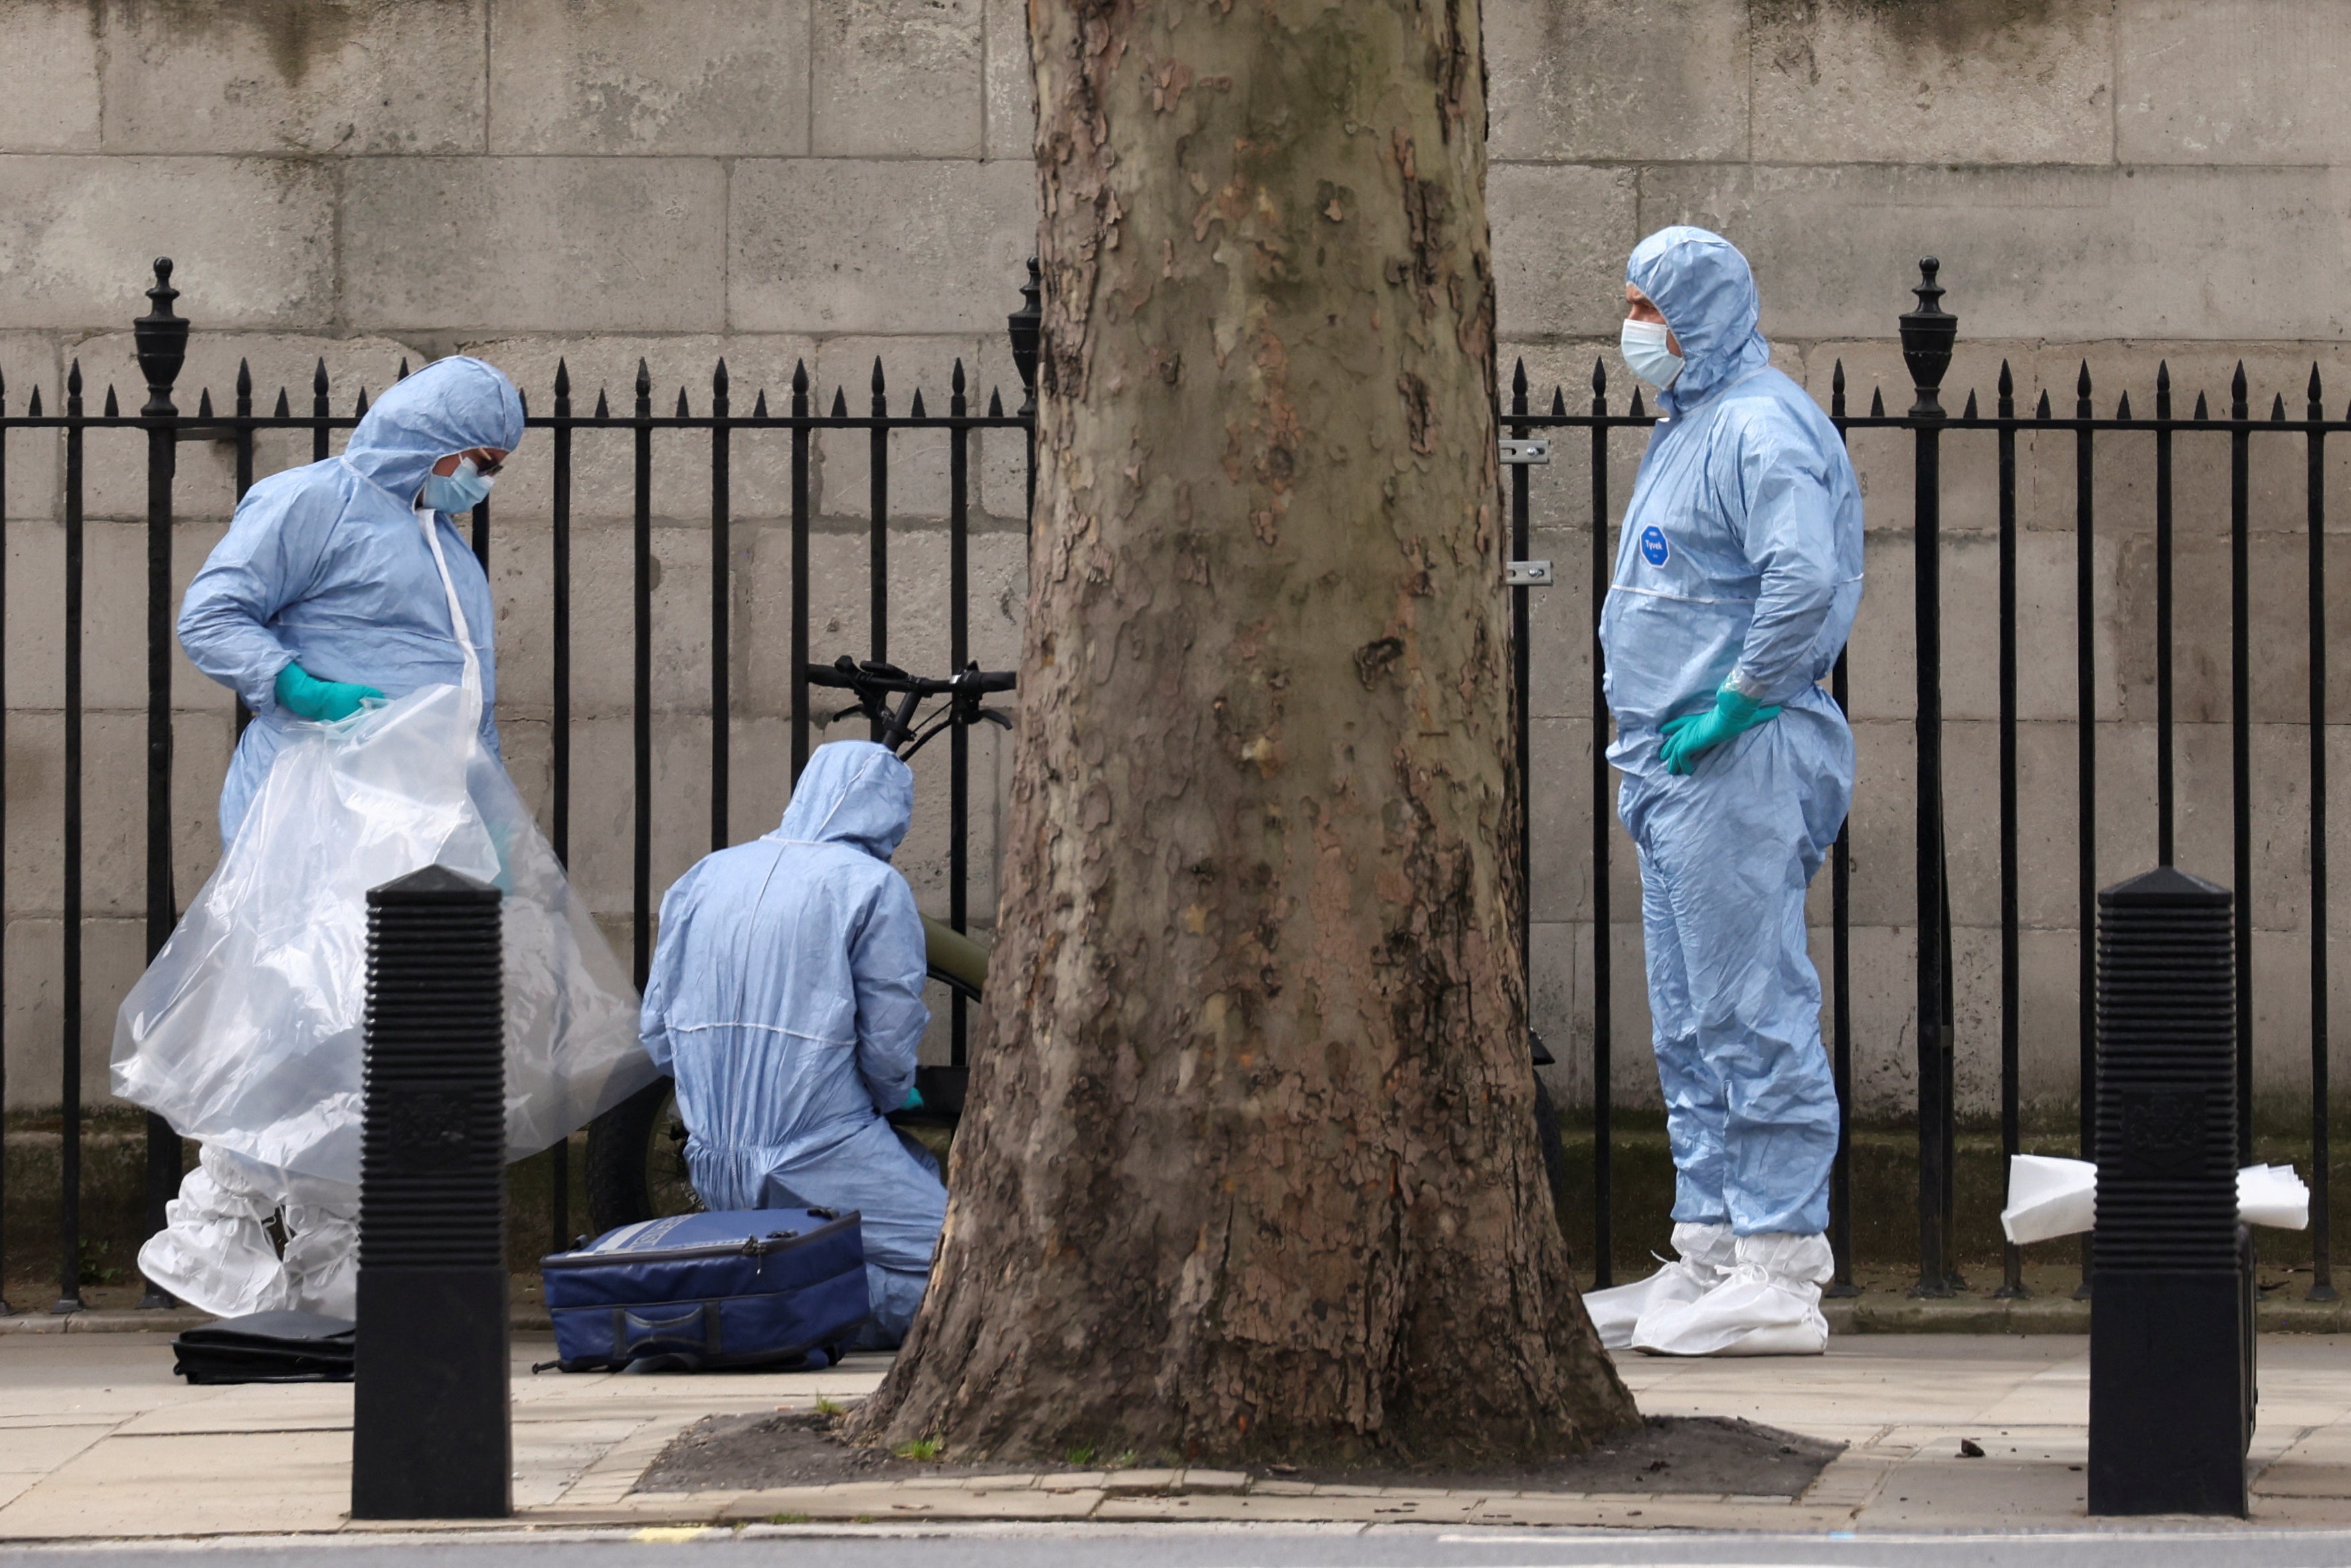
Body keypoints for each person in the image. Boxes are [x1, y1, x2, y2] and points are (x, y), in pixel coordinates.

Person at [139, 355, 524, 1318]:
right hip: (318, 810)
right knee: (301, 1021)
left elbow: (467, 697)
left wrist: (490, 810)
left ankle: (333, 1247)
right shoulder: (313, 501)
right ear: (432, 442)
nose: (482, 480)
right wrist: (297, 687)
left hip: (416, 818)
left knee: (374, 1040)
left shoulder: (444, 546)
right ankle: (214, 1223)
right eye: (478, 457)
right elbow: (212, 613)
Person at [1579, 227, 1864, 1357]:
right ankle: (1711, 1247)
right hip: (1673, 755)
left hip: (1731, 754)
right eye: (1631, 301)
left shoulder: (1758, 424)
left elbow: (1805, 577)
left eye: (1649, 303)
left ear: (1696, 311)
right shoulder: (1695, 422)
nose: (1633, 324)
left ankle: (1783, 1265)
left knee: (1748, 1008)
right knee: (1691, 1018)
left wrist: (1740, 699)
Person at [639, 739, 945, 1347]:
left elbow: (658, 1036)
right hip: (823, 1150)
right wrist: (887, 1097)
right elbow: (888, 1042)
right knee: (972, 1269)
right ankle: (810, 1311)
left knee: (918, 1172)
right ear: (887, 814)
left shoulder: (705, 875)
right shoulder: (871, 886)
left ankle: (771, 1307)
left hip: (713, 1159)